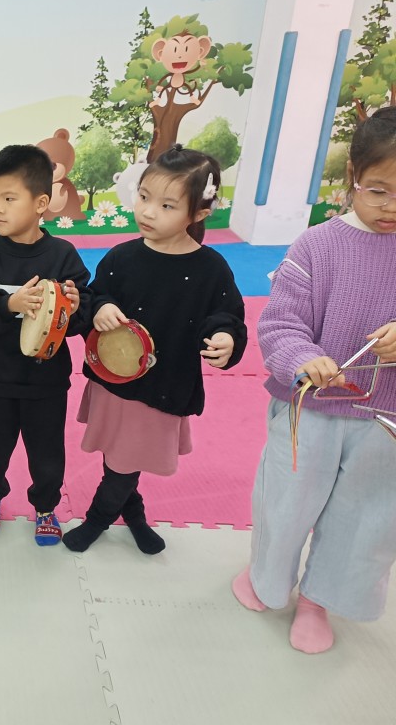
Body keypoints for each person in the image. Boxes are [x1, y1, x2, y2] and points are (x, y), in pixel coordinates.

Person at [232, 107, 396, 653]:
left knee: (366, 518)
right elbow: (280, 323)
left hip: (385, 419)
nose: (391, 207)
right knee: (286, 502)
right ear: (353, 174)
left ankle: (318, 601)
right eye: (379, 191)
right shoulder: (317, 246)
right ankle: (265, 578)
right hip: (310, 410)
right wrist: (305, 358)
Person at [64, 145, 246, 556]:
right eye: (143, 197)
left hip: (163, 385)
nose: (147, 212)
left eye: (166, 205)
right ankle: (134, 514)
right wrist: (101, 307)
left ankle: (97, 519)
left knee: (125, 462)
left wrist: (225, 338)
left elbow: (226, 315)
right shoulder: (122, 256)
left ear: (199, 213)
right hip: (114, 381)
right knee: (120, 457)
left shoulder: (211, 268)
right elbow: (96, 296)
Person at [0, 144, 89, 546]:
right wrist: (9, 304)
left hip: (46, 382)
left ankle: (45, 506)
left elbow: (82, 310)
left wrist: (75, 306)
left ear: (41, 203)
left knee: (47, 450)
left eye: (9, 199)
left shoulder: (62, 255)